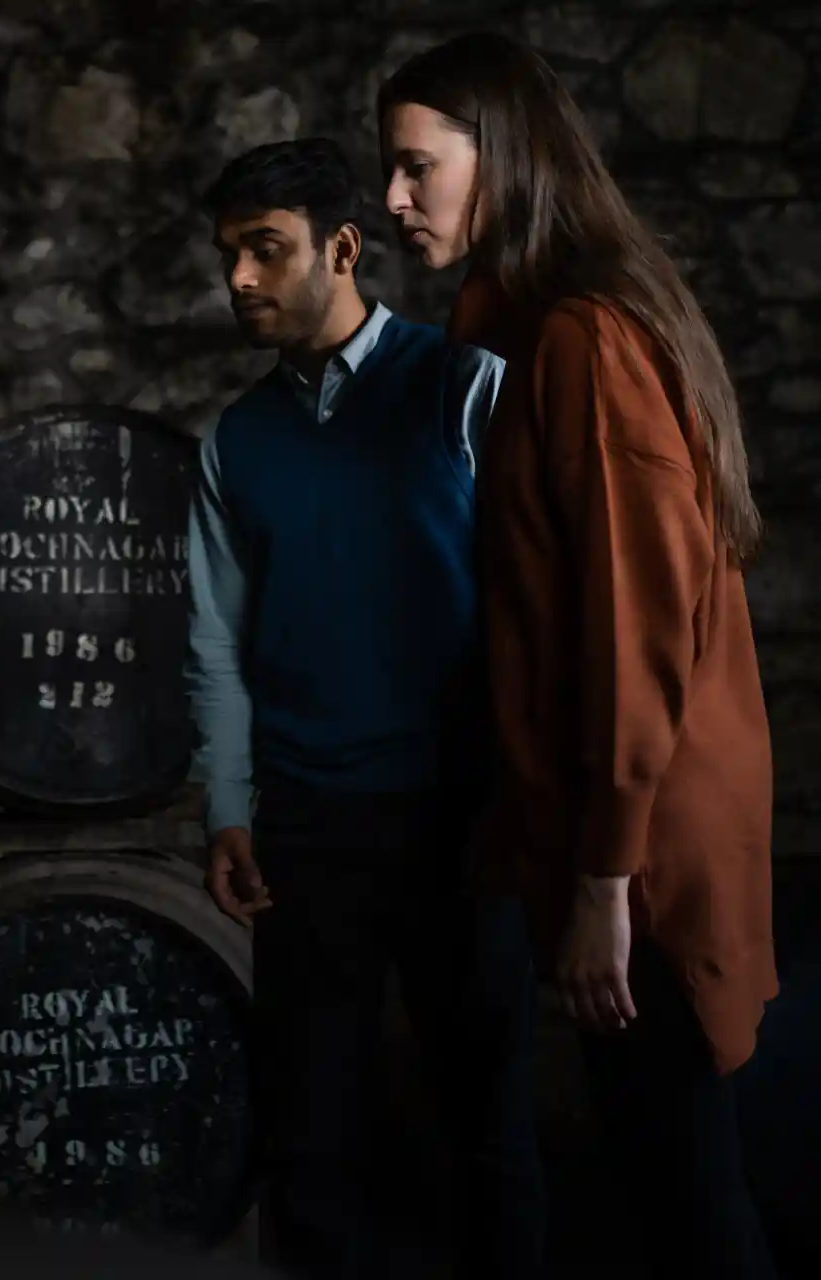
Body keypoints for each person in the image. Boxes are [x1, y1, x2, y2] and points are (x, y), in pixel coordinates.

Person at [377, 31, 780, 1280]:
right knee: (650, 1167)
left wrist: (607, 882)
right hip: (598, 821)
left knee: (687, 1194)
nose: (392, 199)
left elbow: (631, 630)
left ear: (499, 159)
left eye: (415, 168)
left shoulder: (586, 341)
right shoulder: (508, 315)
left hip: (646, 835)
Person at [185, 137, 544, 1279]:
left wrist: (524, 801)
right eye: (229, 255)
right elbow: (218, 640)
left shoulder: (463, 384)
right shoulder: (239, 438)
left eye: (266, 250)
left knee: (489, 1127)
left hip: (464, 825)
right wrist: (229, 808)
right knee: (312, 1142)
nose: (240, 279)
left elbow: (535, 612)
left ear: (344, 249)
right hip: (308, 832)